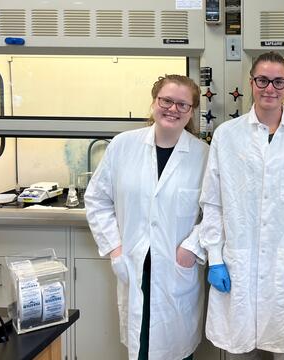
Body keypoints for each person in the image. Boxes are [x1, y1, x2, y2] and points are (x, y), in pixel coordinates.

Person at [199, 51, 284, 360]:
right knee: (240, 351)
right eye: (263, 80)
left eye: (278, 81)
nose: (270, 88)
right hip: (237, 266)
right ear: (251, 83)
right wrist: (215, 257)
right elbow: (213, 201)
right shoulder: (227, 136)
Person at [85, 74, 208, 360]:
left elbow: (215, 211)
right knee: (141, 345)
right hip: (134, 263)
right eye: (166, 100)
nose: (173, 109)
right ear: (154, 102)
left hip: (176, 270)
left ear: (191, 111)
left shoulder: (203, 154)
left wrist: (192, 247)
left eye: (182, 104)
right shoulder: (123, 146)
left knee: (176, 348)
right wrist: (115, 249)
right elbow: (96, 199)